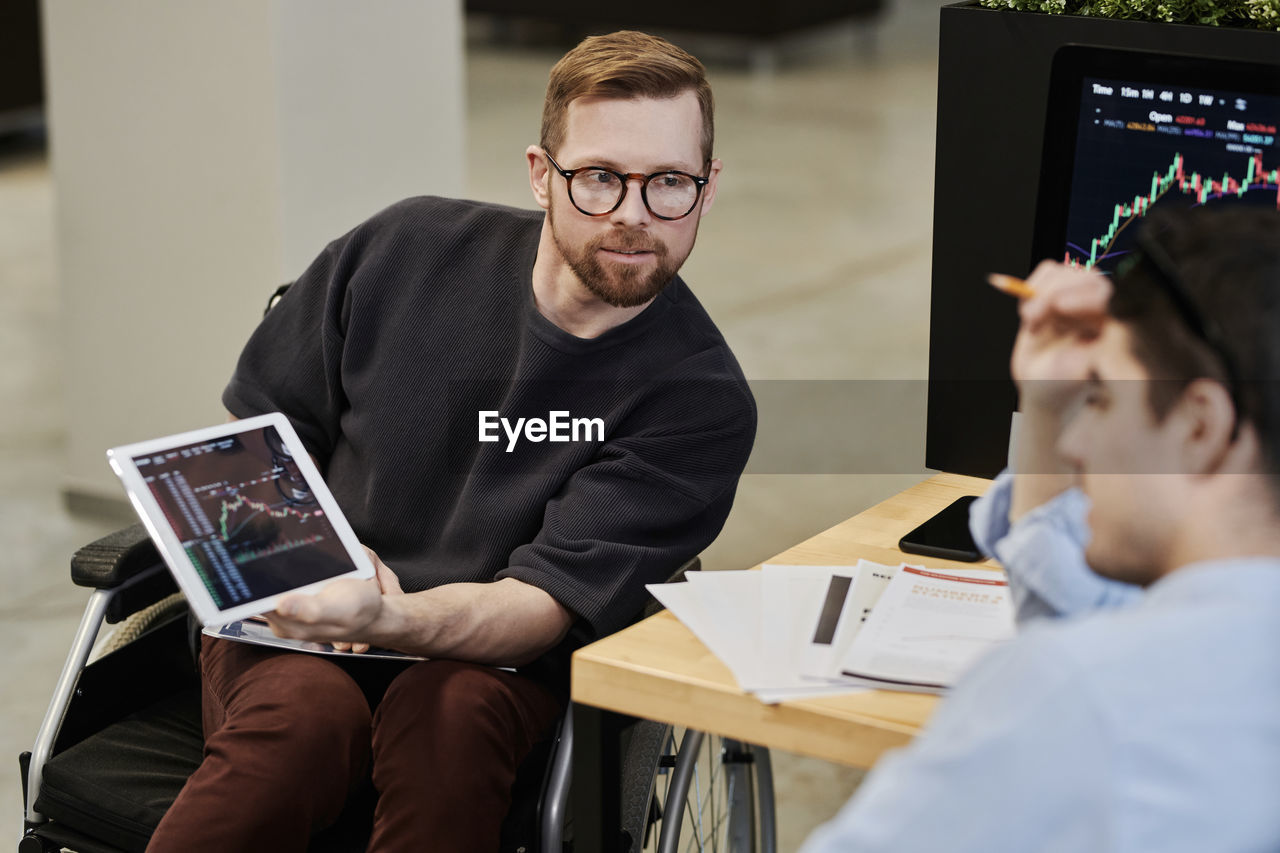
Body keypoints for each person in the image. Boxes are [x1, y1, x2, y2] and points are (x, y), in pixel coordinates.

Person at [147, 31, 755, 853]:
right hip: (304, 612)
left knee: (451, 718)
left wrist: (389, 615)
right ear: (542, 175)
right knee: (302, 721)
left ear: (708, 187)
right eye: (600, 178)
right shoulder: (403, 250)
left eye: (669, 183)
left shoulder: (699, 400)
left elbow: (537, 609)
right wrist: (311, 573)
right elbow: (252, 448)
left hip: (490, 667)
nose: (632, 215)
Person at [802, 206, 1280, 852]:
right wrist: (1049, 408)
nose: (1077, 442)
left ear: (1201, 425)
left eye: (1103, 398)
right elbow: (1092, 628)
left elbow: (1090, 678)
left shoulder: (1075, 698)